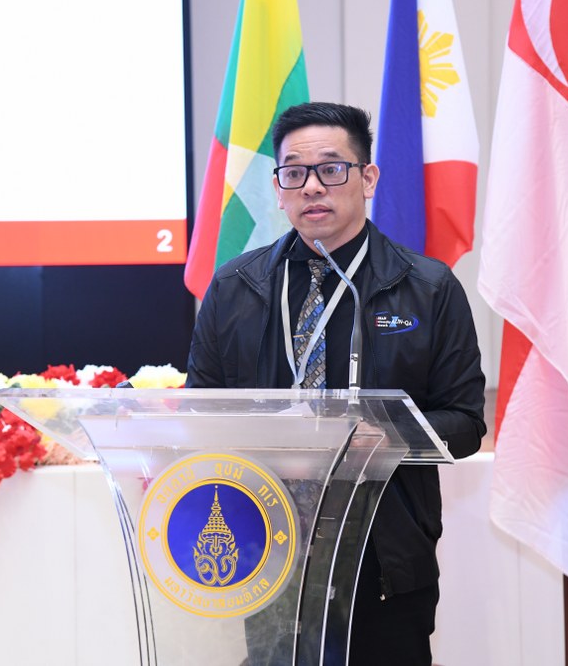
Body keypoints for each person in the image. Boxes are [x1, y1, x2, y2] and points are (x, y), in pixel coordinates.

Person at [186, 102, 486, 664]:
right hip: (268, 549)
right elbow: (203, 414)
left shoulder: (427, 289)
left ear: (367, 178)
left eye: (331, 168)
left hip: (384, 558)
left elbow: (466, 424)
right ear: (278, 189)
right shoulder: (234, 289)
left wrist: (384, 436)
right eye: (294, 172)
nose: (311, 187)